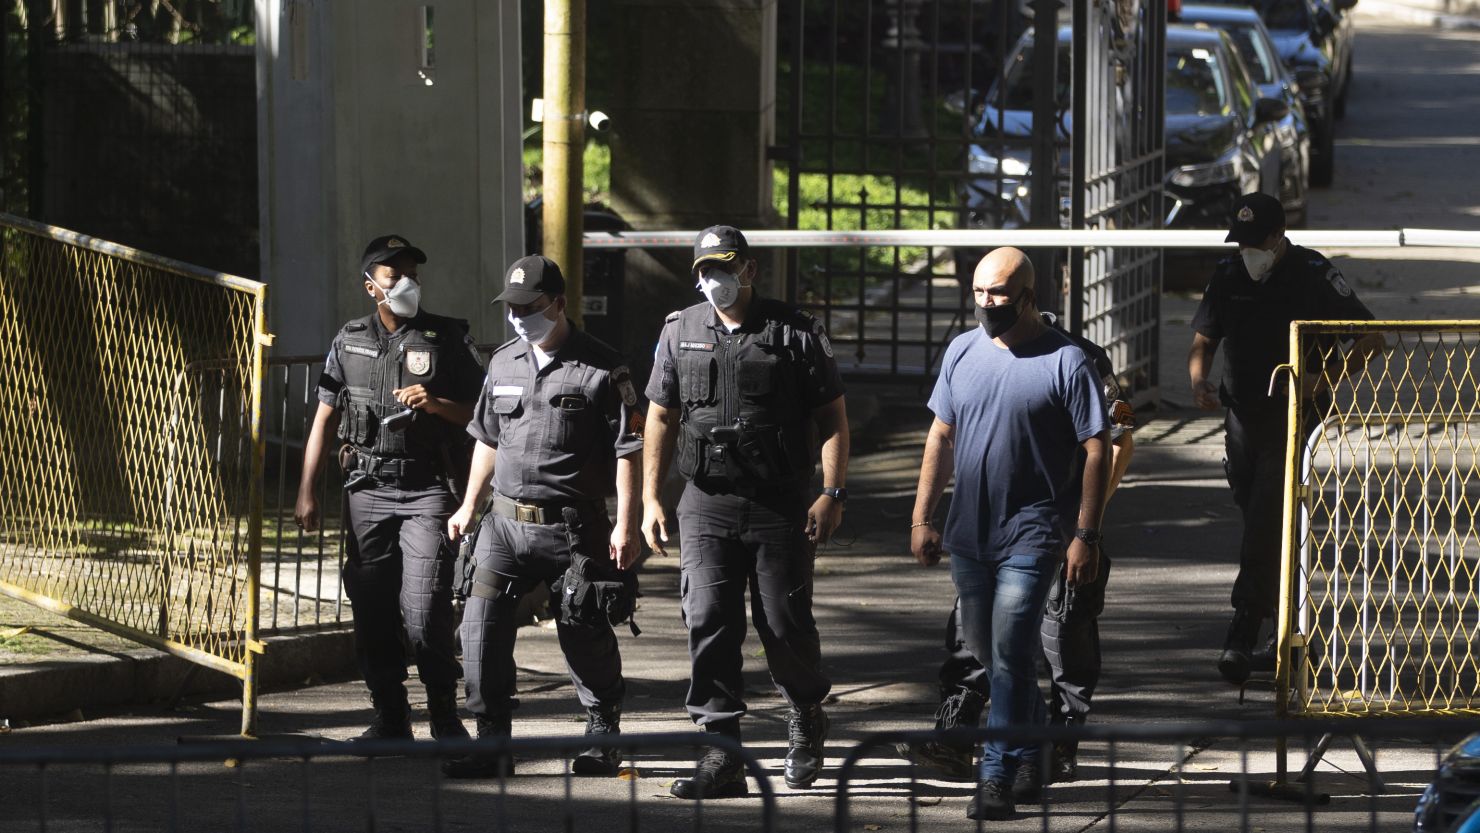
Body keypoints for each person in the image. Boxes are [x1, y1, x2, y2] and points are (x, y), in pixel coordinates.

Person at [642, 225, 850, 798]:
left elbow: (833, 418)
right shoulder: (679, 330)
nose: (714, 280)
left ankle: (806, 714)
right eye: (704, 271)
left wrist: (831, 493)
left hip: (780, 504)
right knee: (708, 620)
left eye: (724, 268)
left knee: (783, 626)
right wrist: (649, 499)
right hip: (706, 503)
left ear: (750, 270)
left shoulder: (796, 332)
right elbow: (658, 416)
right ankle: (721, 752)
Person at [910, 247, 1110, 821]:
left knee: (1011, 645)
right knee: (993, 653)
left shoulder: (1067, 361)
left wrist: (1085, 533)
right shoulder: (961, 351)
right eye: (978, 292)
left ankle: (995, 773)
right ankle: (1034, 745)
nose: (986, 303)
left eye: (997, 293)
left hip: (1035, 531)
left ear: (1028, 296)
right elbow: (941, 437)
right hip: (970, 536)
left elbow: (1098, 449)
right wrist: (923, 518)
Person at [441, 255, 643, 778]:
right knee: (478, 631)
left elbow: (628, 449)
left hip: (574, 527)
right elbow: (487, 439)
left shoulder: (602, 366)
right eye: (510, 308)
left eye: (529, 308)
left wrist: (626, 521)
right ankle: (492, 745)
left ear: (557, 304)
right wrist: (469, 505)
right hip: (504, 525)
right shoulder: (504, 362)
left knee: (584, 631)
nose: (517, 318)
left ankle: (602, 735)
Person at [294, 234, 484, 741]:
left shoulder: (445, 338)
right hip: (366, 489)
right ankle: (391, 717)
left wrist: (436, 403)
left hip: (427, 490)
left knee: (424, 608)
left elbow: (483, 416)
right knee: (373, 609)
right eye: (392, 274)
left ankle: (445, 717)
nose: (405, 282)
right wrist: (306, 490)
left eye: (411, 274)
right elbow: (324, 419)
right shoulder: (349, 339)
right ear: (369, 285)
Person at [1189, 193, 1381, 685]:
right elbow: (1205, 337)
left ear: (1278, 238)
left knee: (1265, 520)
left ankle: (1242, 629)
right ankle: (1290, 637)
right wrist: (1198, 380)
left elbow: (1370, 337)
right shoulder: (1229, 272)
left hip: (1296, 417)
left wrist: (1327, 377)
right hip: (1241, 418)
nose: (1248, 251)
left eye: (1257, 242)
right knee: (1265, 521)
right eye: (1243, 242)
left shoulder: (1312, 272)